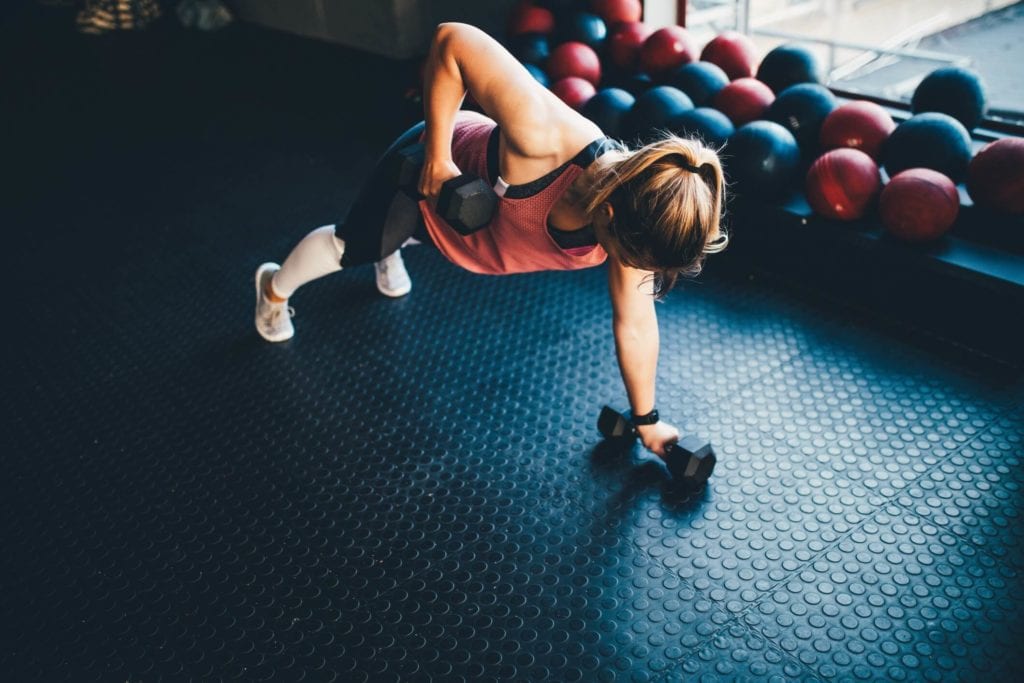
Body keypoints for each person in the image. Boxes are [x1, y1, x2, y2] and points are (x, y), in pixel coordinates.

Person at [254, 22, 728, 459]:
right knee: (357, 246)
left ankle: (396, 247)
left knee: (400, 243)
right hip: (423, 187)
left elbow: (636, 324)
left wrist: (648, 422)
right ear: (607, 215)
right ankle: (273, 288)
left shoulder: (638, 212)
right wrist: (439, 157)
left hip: (476, 235)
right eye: (631, 258)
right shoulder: (543, 136)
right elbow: (452, 39)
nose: (634, 268)